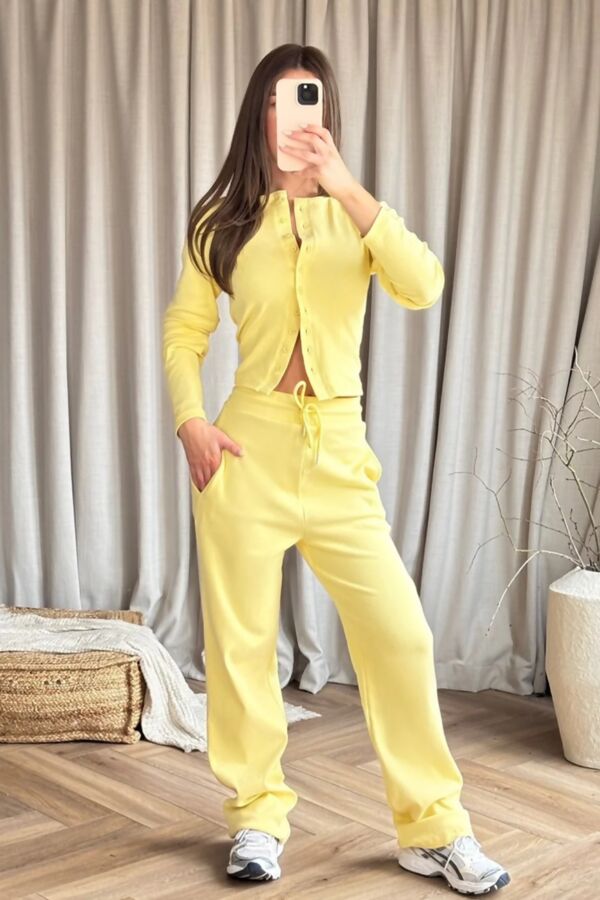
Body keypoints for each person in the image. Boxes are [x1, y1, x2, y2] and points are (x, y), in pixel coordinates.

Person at [162, 43, 510, 895]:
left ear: (327, 115)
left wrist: (346, 187)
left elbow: (423, 284)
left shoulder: (357, 215)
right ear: (259, 114)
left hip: (340, 455)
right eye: (279, 102)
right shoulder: (221, 221)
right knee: (241, 647)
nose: (294, 118)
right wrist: (191, 420)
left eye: (308, 101)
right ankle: (255, 819)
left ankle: (434, 830)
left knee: (401, 634)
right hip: (246, 451)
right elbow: (185, 330)